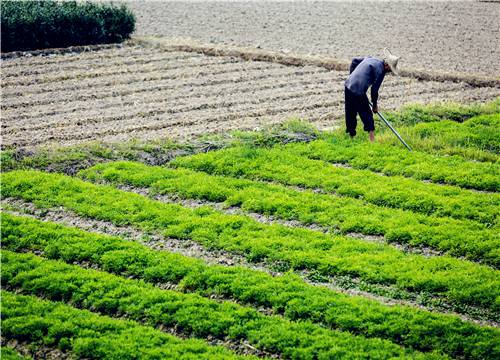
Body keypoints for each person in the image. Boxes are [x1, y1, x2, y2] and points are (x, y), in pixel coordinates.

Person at [344, 48, 400, 142]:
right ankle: (372, 141)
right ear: (387, 65)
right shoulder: (381, 71)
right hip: (358, 90)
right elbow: (374, 90)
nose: (389, 72)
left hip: (348, 84)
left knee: (350, 111)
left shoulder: (371, 58)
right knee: (367, 114)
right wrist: (374, 106)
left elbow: (354, 61)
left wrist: (352, 76)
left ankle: (351, 137)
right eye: (390, 69)